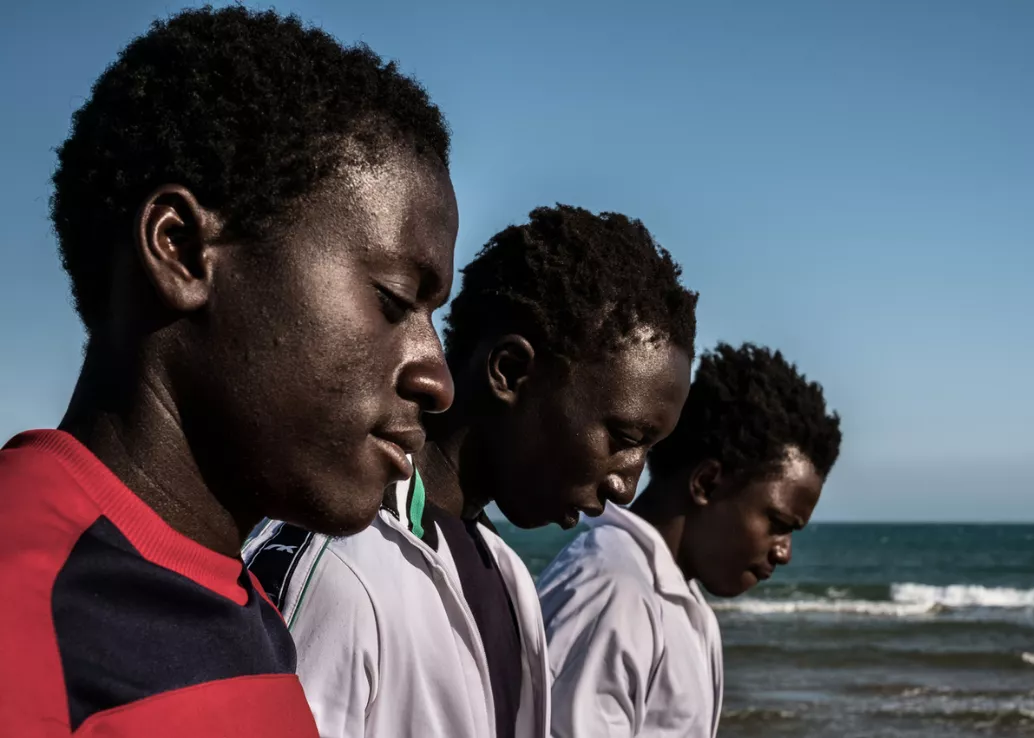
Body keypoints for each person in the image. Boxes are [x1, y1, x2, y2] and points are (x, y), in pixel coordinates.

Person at [0, 7, 456, 736]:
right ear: (181, 250)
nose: (437, 378)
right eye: (395, 299)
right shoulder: (26, 620)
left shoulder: (242, 601)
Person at [245, 204, 698, 738]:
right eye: (622, 440)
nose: (626, 485)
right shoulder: (341, 560)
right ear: (509, 371)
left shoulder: (506, 577)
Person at [538, 342, 843, 738]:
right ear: (707, 483)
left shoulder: (676, 600)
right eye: (778, 523)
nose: (783, 552)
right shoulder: (615, 587)